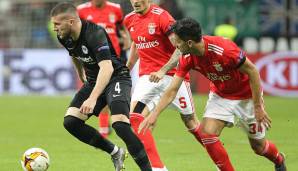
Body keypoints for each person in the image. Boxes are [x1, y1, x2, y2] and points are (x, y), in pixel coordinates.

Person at [139, 18, 287, 171]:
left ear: (189, 43)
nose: (175, 46)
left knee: (259, 147)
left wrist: (258, 107)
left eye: (178, 42)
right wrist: (154, 114)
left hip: (246, 97)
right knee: (206, 133)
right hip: (220, 95)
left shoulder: (225, 50)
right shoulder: (187, 57)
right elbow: (172, 89)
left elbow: (253, 71)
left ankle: (278, 159)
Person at [50, 2, 152, 171]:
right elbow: (74, 54)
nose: (54, 28)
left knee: (119, 124)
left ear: (71, 21)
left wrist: (92, 98)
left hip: (116, 77)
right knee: (71, 122)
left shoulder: (94, 33)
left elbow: (107, 68)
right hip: (93, 80)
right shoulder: (63, 36)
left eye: (57, 24)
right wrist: (80, 73)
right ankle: (115, 152)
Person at [124, 1, 203, 170]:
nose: (135, 1)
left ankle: (217, 155)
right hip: (147, 77)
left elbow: (180, 47)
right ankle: (158, 167)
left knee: (190, 121)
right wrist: (127, 68)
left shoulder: (162, 17)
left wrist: (163, 69)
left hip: (173, 76)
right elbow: (136, 43)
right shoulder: (129, 19)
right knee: (136, 118)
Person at [77, 0, 131, 138]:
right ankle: (104, 127)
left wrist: (126, 38)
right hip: (95, 60)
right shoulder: (81, 10)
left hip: (115, 58)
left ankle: (106, 127)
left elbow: (121, 27)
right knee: (103, 91)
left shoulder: (116, 9)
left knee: (112, 92)